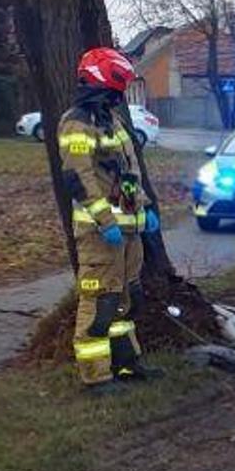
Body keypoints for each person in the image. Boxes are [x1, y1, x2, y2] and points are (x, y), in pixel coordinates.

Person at [60, 47, 161, 394]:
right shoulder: (76, 123)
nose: (121, 94)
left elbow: (126, 172)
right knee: (100, 304)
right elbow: (79, 177)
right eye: (118, 86)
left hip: (127, 231)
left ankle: (126, 363)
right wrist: (106, 221)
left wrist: (142, 208)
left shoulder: (111, 121)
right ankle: (96, 377)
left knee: (127, 300)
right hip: (99, 234)